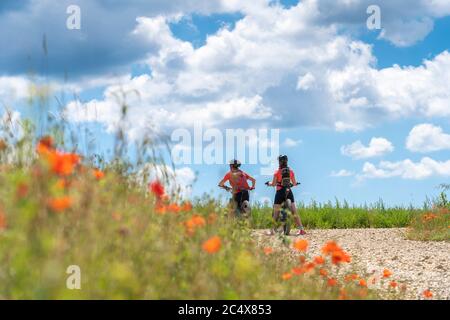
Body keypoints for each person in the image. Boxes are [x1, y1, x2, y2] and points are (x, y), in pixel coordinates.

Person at [266, 155, 306, 236]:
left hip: (279, 192)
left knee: (276, 213)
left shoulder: (277, 172)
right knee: (294, 211)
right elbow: (294, 183)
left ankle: (272, 231)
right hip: (289, 192)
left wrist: (269, 183)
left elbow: (273, 184)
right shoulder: (291, 171)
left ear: (279, 162)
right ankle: (301, 230)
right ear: (287, 161)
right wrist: (294, 183)